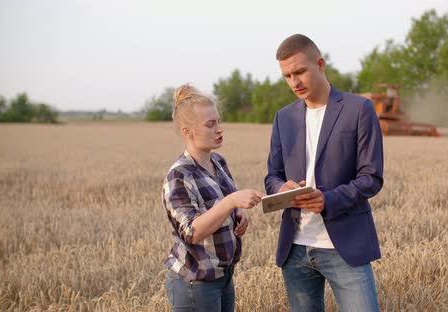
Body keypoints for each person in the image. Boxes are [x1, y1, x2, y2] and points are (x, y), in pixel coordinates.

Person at [264, 34, 384, 312]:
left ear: (320, 64)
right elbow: (272, 175)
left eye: (300, 72)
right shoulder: (283, 117)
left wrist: (327, 200)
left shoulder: (359, 109)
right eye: (287, 76)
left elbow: (372, 176)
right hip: (295, 248)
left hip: (345, 246)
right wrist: (281, 189)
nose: (294, 82)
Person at [162, 84, 265, 312]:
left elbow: (225, 206)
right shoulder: (179, 175)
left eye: (218, 122)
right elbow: (192, 232)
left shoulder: (218, 162)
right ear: (187, 131)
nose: (219, 129)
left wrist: (238, 215)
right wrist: (231, 202)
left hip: (223, 275)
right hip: (196, 282)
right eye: (210, 124)